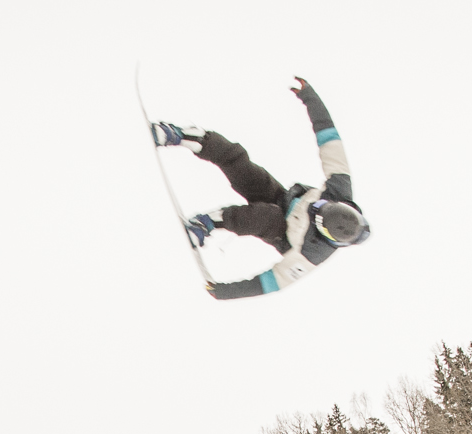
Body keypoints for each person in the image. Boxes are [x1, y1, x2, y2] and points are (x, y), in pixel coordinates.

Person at [151, 77, 370, 300]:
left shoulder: (313, 252)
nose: (316, 209)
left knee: (267, 217)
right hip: (286, 199)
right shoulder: (340, 187)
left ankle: (208, 223)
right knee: (243, 168)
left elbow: (275, 280)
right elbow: (329, 139)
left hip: (282, 231)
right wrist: (309, 97)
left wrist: (226, 292)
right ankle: (188, 137)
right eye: (321, 206)